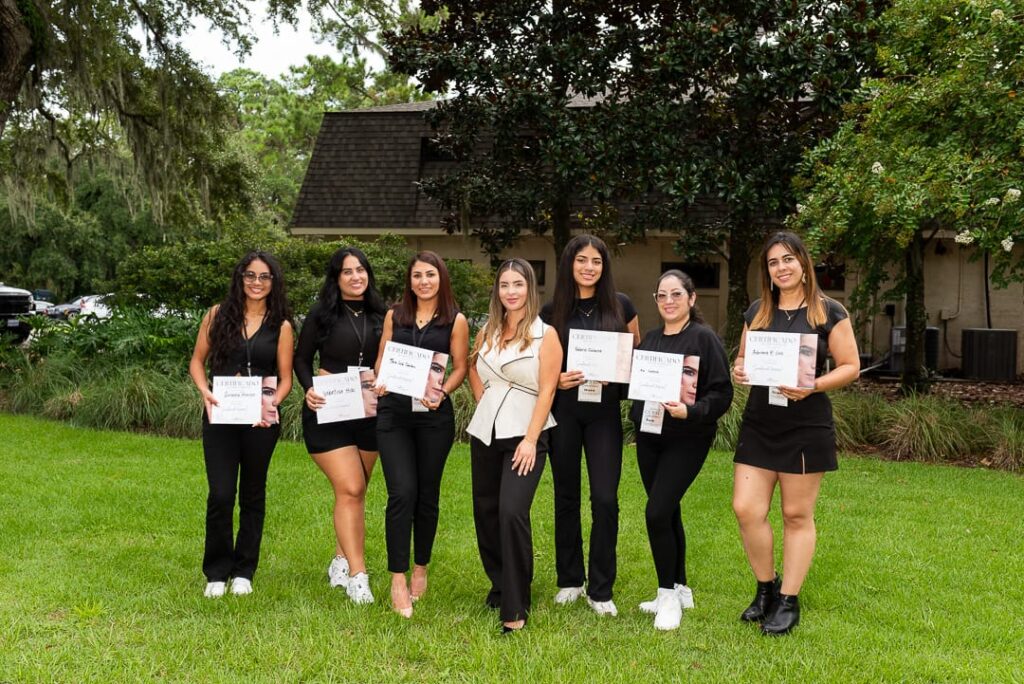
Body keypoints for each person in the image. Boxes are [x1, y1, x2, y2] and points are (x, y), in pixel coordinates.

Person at [732, 231, 860, 635]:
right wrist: (739, 370)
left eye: (788, 259)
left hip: (806, 424)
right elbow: (742, 359)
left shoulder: (829, 312)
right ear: (767, 272)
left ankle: (788, 599)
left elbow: (850, 366)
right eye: (773, 262)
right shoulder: (757, 312)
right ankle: (765, 588)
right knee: (746, 509)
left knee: (796, 514)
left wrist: (813, 385)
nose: (781, 268)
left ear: (804, 264)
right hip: (760, 422)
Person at [540, 234, 640, 616]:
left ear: (604, 266)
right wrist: (557, 379)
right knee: (566, 495)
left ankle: (601, 589)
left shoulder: (621, 306)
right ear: (569, 264)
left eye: (596, 261)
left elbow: (635, 357)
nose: (589, 267)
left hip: (603, 414)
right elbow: (539, 364)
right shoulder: (551, 311)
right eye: (582, 260)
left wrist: (620, 372)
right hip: (564, 411)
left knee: (605, 498)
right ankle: (570, 580)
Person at [630, 270, 733, 630]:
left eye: (676, 294)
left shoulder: (704, 339)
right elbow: (637, 384)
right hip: (650, 435)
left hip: (688, 437)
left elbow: (722, 393)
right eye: (662, 295)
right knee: (668, 511)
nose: (669, 301)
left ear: (691, 298)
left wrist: (692, 410)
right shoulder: (651, 340)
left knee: (656, 512)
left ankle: (667, 597)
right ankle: (680, 587)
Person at [188, 251, 294, 598]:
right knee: (220, 494)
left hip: (261, 421)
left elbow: (286, 378)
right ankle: (217, 572)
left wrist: (273, 403)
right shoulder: (217, 315)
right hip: (220, 415)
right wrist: (204, 391)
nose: (256, 282)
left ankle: (244, 571)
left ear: (273, 282)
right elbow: (197, 362)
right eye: (250, 275)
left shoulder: (281, 325)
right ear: (240, 278)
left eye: (264, 277)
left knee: (252, 493)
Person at [467, 259, 562, 633]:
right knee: (486, 512)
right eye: (504, 284)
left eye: (517, 284)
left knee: (511, 511)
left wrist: (531, 439)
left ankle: (516, 602)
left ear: (530, 288)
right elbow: (473, 367)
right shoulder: (487, 331)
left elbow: (549, 390)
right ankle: (500, 584)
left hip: (525, 435)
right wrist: (483, 399)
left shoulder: (545, 335)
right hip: (486, 432)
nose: (511, 291)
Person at [374, 251, 469, 618]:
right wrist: (380, 379)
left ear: (441, 278)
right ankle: (397, 578)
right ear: (409, 281)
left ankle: (420, 567)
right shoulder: (394, 315)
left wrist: (443, 391)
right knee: (402, 493)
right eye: (417, 275)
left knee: (427, 496)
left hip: (433, 418)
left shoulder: (455, 320)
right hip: (394, 415)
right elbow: (382, 358)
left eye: (430, 274)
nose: (424, 281)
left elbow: (460, 367)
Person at [294, 247, 386, 604]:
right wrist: (309, 388)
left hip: (369, 411)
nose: (355, 277)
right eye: (347, 271)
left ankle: (340, 559)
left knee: (356, 492)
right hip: (329, 408)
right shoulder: (321, 313)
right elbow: (302, 359)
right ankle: (358, 577)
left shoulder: (382, 314)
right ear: (336, 278)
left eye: (361, 270)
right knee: (350, 487)